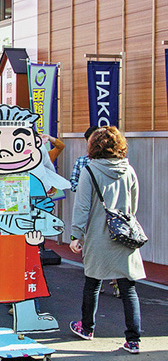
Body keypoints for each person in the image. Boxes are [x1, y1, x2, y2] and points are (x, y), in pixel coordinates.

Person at [69, 126, 145, 354]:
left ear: (93, 146)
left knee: (92, 282)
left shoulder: (90, 170)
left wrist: (76, 235)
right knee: (128, 288)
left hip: (98, 235)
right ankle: (133, 340)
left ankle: (87, 328)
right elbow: (133, 203)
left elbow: (82, 206)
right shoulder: (128, 170)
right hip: (124, 235)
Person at [70, 126, 99, 192]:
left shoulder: (107, 161)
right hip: (85, 200)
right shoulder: (81, 160)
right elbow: (73, 184)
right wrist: (86, 190)